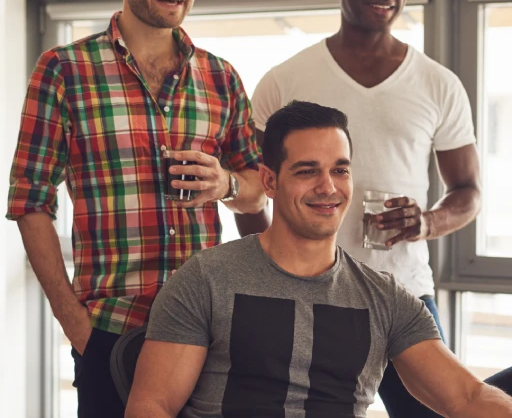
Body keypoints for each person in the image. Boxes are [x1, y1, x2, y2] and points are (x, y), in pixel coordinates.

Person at [6, 0, 265, 418]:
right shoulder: (64, 70)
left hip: (208, 332)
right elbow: (29, 200)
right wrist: (73, 322)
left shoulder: (221, 77)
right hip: (110, 330)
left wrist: (226, 183)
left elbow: (257, 188)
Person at [125, 100, 512, 418]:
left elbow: (467, 398)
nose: (328, 187)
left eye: (340, 170)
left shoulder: (387, 299)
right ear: (271, 181)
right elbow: (151, 406)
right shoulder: (206, 279)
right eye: (307, 171)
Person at [248, 0, 481, 418]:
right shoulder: (284, 81)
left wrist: (427, 222)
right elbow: (253, 188)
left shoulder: (438, 84)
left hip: (402, 293)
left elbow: (468, 190)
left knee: (443, 409)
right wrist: (268, 268)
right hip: (306, 293)